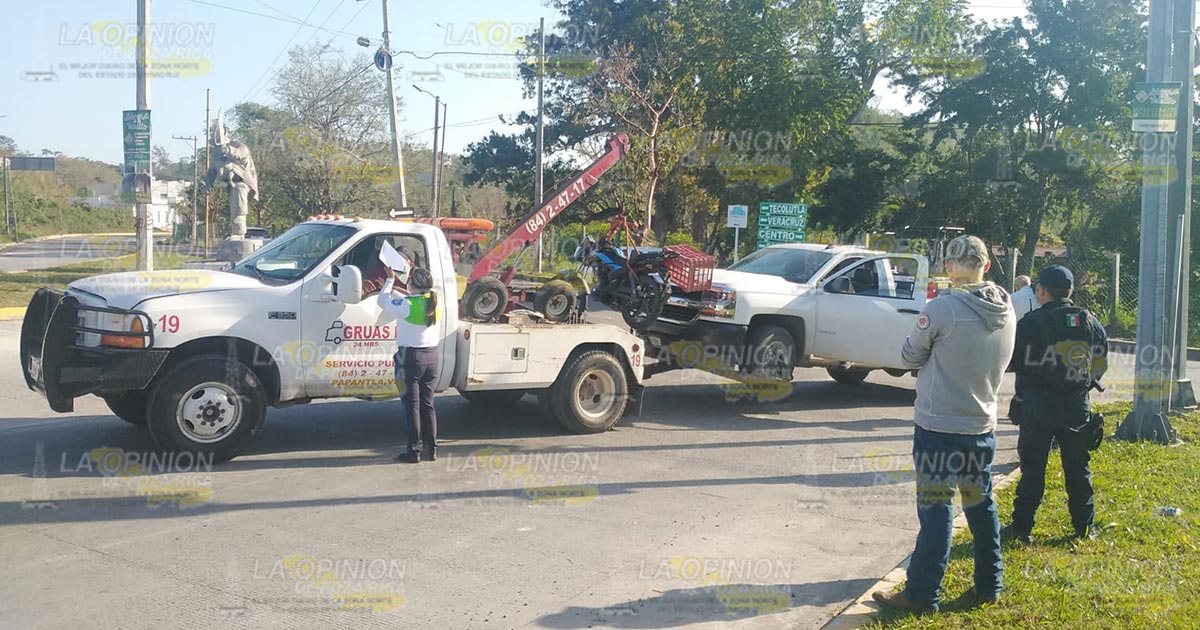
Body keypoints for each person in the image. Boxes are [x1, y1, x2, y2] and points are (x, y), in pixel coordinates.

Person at [873, 235, 1016, 614]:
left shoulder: (942, 309)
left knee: (937, 510)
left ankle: (922, 594)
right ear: (986, 265)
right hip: (981, 425)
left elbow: (909, 356)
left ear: (950, 266)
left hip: (938, 426)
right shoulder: (1007, 309)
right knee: (981, 506)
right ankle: (990, 583)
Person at [1006, 265, 1107, 543]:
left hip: (1037, 405)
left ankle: (1022, 527)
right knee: (1078, 467)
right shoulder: (1088, 320)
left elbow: (1013, 362)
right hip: (1076, 405)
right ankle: (1084, 526)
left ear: (1041, 290)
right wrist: (1084, 383)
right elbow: (1101, 361)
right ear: (1070, 291)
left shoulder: (1030, 323)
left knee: (1032, 468)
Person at [378, 264, 442, 463]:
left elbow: (382, 302)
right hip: (432, 357)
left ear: (412, 284)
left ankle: (413, 451)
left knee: (412, 407)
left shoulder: (407, 304)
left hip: (411, 359)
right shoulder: (434, 302)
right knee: (427, 405)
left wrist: (389, 280)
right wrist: (399, 291)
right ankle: (430, 450)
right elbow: (414, 298)